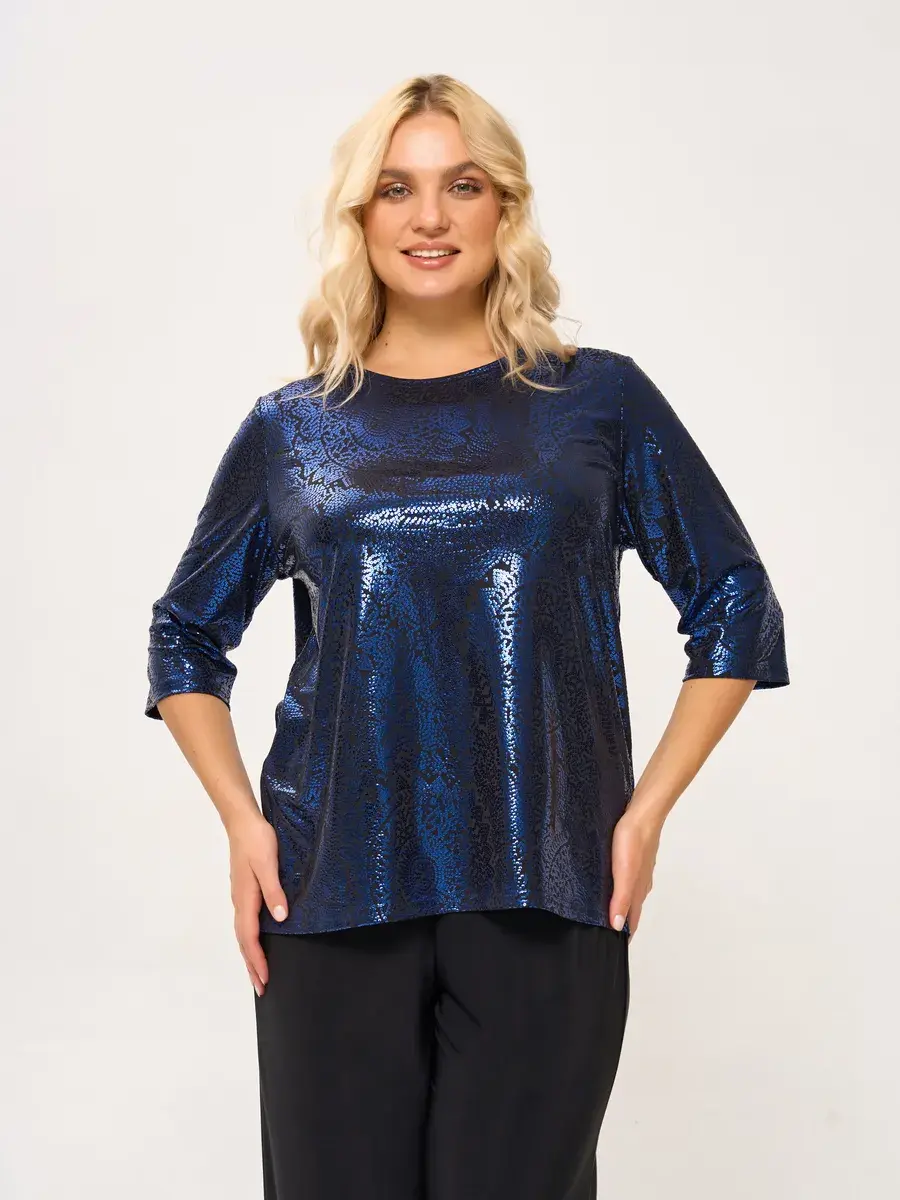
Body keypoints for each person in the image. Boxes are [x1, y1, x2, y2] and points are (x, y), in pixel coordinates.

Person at [144, 74, 789, 1200]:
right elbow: (185, 633)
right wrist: (244, 823)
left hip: (549, 877)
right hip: (327, 889)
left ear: (506, 209)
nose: (429, 217)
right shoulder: (294, 427)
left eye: (463, 185)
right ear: (360, 216)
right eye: (396, 189)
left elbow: (736, 600)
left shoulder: (599, 402)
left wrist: (643, 814)